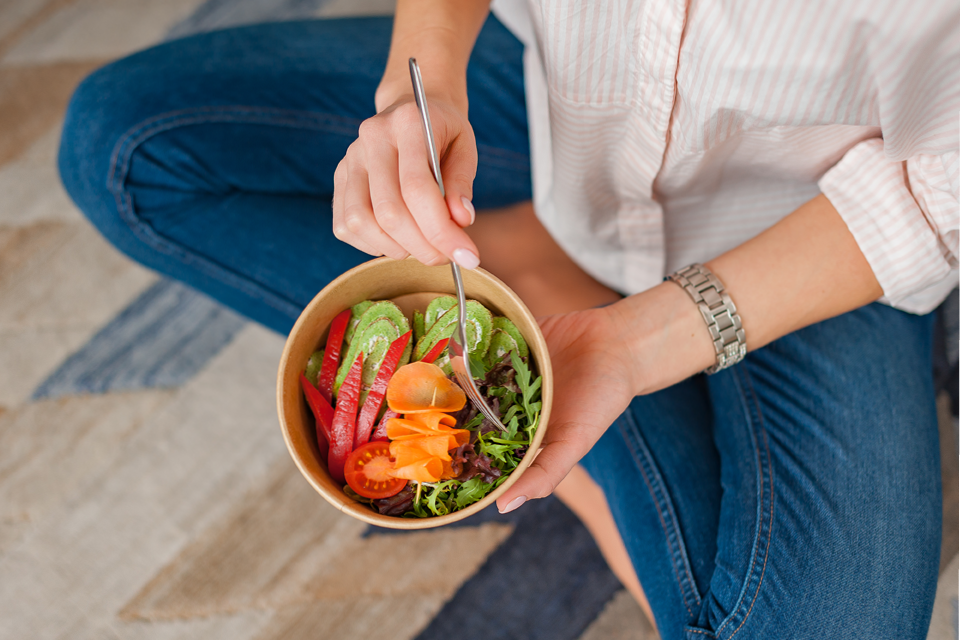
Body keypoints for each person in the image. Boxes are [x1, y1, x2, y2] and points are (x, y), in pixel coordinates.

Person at [58, 0, 959, 637]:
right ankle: (548, 331)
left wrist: (638, 347)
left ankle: (555, 336)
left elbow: (941, 187)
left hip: (811, 224)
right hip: (563, 112)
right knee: (121, 147)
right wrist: (425, 88)